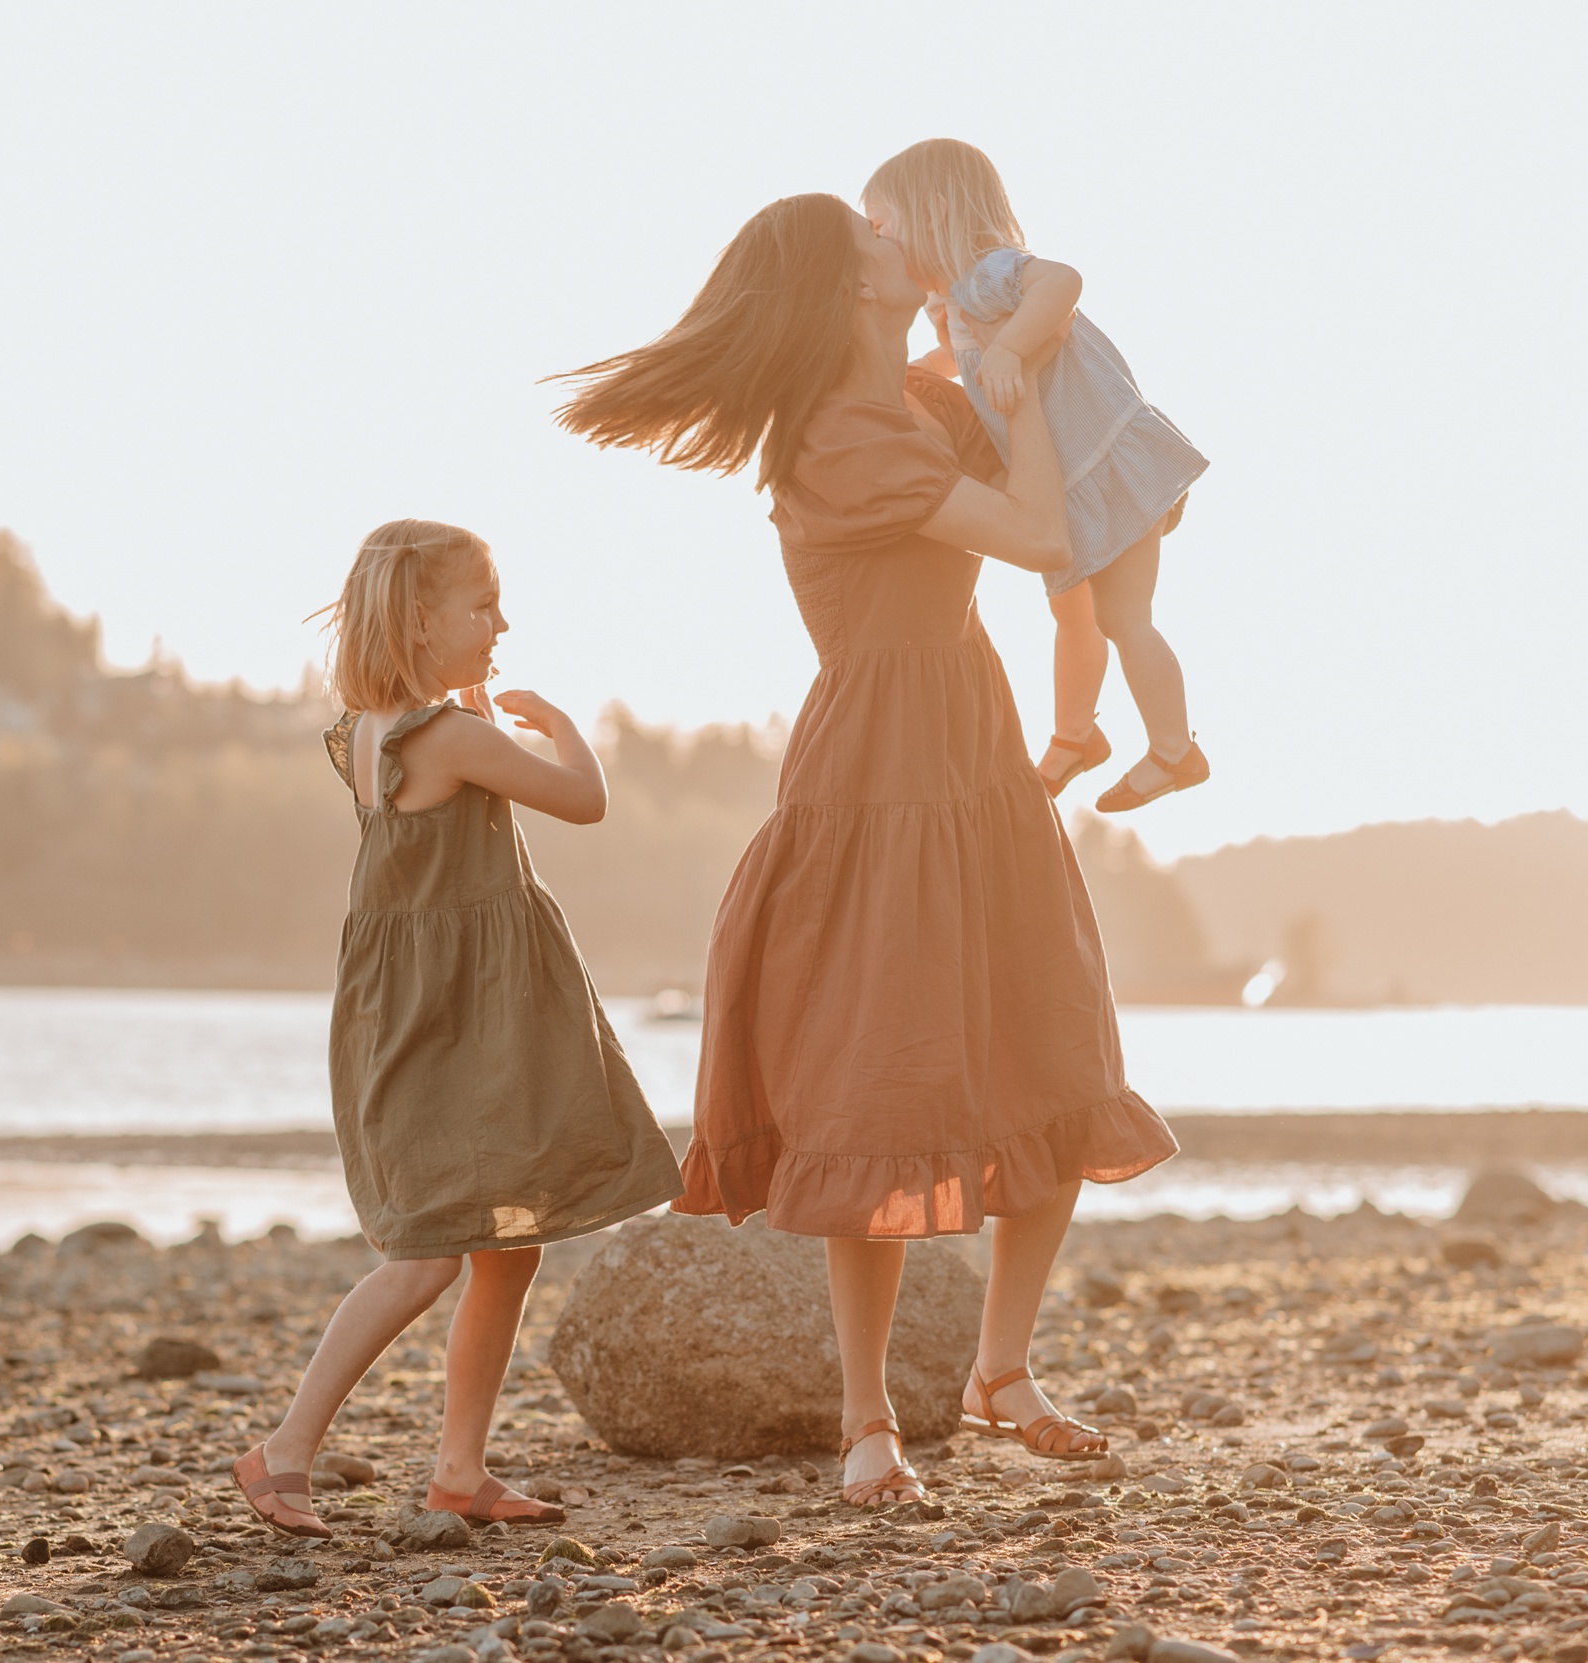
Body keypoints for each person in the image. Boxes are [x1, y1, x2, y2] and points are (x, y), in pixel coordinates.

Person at [555, 195, 1176, 1506]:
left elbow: (1049, 353)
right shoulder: (840, 439)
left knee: (1054, 1050)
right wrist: (1006, 384)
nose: (904, 243)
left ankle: (1000, 1371)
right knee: (876, 1091)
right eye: (876, 236)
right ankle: (865, 1417)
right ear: (845, 288)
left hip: (975, 756)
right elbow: (1044, 533)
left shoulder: (915, 401)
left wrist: (1018, 336)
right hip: (883, 768)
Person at [231, 520, 684, 1538]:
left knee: (506, 1244)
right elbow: (583, 799)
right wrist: (561, 722)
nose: (502, 622)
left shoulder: (371, 728)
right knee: (427, 1250)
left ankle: (458, 1469)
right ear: (419, 619)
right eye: (482, 605)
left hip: (442, 1015)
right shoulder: (449, 738)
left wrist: (480, 710)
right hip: (452, 1025)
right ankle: (285, 1449)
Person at [864, 138, 1209, 811]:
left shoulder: (989, 276)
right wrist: (904, 378)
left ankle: (1174, 749)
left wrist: (1014, 349)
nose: (879, 242)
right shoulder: (955, 306)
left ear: (933, 212)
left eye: (882, 227)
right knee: (1071, 610)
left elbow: (1063, 281)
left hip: (1110, 468)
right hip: (1076, 485)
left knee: (1122, 616)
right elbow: (953, 361)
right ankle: (1075, 737)